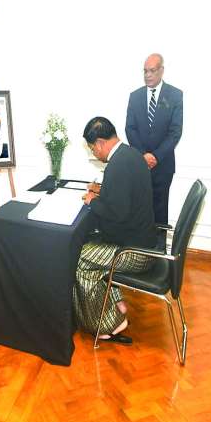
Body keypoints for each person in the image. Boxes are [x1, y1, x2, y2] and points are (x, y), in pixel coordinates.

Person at [74, 116, 158, 345]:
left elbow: (117, 214)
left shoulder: (117, 165)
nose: (94, 154)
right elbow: (124, 197)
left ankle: (110, 324)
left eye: (92, 148)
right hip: (144, 241)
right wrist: (101, 191)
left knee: (80, 258)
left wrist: (92, 200)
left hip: (135, 252)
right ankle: (116, 304)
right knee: (91, 245)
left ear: (100, 143)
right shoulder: (131, 154)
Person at [125, 53, 183, 224]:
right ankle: (139, 242)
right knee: (139, 211)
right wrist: (143, 155)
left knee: (160, 212)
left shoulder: (175, 95)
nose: (148, 75)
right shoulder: (135, 96)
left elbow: (175, 131)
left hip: (163, 165)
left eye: (152, 70)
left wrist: (156, 156)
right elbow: (130, 128)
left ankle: (158, 242)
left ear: (161, 70)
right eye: (145, 71)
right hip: (139, 164)